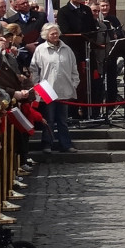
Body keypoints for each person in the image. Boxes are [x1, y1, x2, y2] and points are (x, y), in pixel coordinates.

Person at [31, 23, 77, 153]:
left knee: (63, 120)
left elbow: (74, 69)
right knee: (49, 119)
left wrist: (74, 84)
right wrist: (36, 86)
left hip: (64, 89)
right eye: (52, 34)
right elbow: (34, 70)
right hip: (47, 89)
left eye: (56, 33)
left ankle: (66, 144)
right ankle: (47, 144)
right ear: (46, 36)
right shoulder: (40, 49)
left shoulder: (67, 49)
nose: (55, 36)